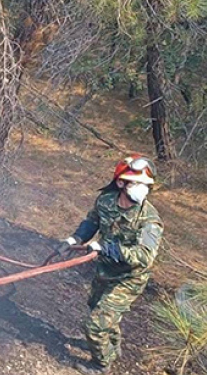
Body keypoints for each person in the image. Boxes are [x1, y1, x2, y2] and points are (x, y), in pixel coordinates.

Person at [58, 154, 164, 374]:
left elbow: (145, 256)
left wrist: (107, 248)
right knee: (97, 307)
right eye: (137, 183)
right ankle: (112, 346)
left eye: (146, 185)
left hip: (129, 278)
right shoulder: (106, 200)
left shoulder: (149, 219)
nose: (143, 189)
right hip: (105, 270)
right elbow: (92, 222)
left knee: (95, 325)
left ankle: (101, 365)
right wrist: (75, 239)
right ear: (120, 183)